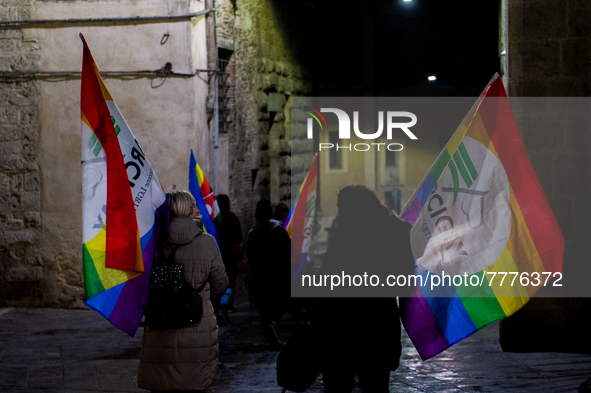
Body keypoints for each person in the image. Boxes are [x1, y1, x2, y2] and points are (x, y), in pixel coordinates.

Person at [314, 185, 414, 393]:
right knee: (376, 386)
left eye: (341, 207)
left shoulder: (346, 234)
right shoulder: (396, 232)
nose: (338, 213)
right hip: (379, 328)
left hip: (340, 330)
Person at [138, 190, 229, 393]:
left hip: (160, 325)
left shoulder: (152, 242)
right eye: (194, 206)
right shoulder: (207, 242)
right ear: (187, 211)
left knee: (162, 383)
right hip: (197, 328)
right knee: (195, 383)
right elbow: (221, 285)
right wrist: (204, 297)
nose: (198, 210)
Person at [246, 199, 292, 346]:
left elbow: (250, 254)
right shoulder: (278, 229)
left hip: (259, 273)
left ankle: (268, 329)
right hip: (277, 273)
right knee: (280, 301)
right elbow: (288, 252)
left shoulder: (252, 232)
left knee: (263, 304)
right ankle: (273, 322)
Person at [215, 194, 243, 313]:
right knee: (230, 281)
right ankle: (227, 306)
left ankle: (218, 306)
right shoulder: (233, 217)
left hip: (218, 255)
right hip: (230, 255)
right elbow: (239, 238)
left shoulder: (215, 219)